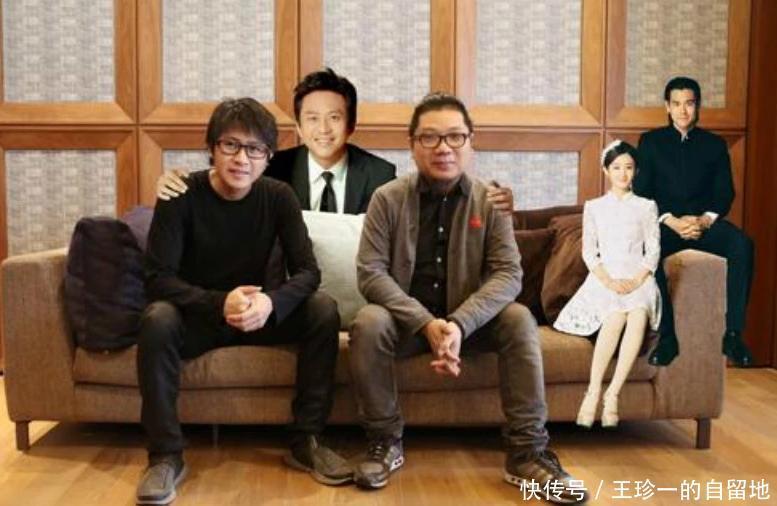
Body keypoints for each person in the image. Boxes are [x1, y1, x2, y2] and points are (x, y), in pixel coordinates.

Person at [348, 92, 587, 504]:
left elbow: (508, 273)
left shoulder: (489, 201)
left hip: (471, 327)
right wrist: (426, 324)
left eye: (455, 137)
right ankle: (384, 441)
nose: (444, 147)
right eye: (430, 137)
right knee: (369, 321)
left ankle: (527, 452)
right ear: (412, 145)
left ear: (470, 142)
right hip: (407, 325)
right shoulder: (387, 199)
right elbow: (371, 273)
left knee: (517, 318)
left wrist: (459, 324)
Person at [135, 98, 350, 505]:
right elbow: (157, 278)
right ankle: (164, 455)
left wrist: (271, 303)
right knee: (157, 319)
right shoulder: (180, 194)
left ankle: (306, 440)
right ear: (212, 148)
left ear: (268, 157)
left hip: (258, 316)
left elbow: (308, 272)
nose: (241, 158)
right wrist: (220, 303)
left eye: (255, 149)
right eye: (230, 145)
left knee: (322, 309)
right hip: (199, 316)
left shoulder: (278, 196)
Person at [156, 69, 515, 214]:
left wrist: (490, 200)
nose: (324, 129)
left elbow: (419, 210)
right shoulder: (272, 167)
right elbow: (227, 188)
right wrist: (179, 182)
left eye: (335, 117)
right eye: (312, 119)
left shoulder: (378, 173)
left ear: (352, 124)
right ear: (298, 127)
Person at [634, 76, 754, 367]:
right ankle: (667, 338)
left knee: (742, 245)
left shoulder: (714, 144)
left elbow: (725, 193)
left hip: (703, 226)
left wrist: (705, 220)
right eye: (676, 104)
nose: (683, 111)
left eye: (689, 104)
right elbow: (643, 192)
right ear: (667, 106)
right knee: (645, 252)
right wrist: (671, 221)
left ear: (697, 106)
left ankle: (733, 334)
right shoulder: (650, 142)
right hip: (667, 225)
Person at [554, 140, 660, 428]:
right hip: (606, 278)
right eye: (616, 168)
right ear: (606, 170)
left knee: (637, 315)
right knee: (614, 318)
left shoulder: (646, 207)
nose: (623, 174)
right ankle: (593, 392)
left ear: (635, 171)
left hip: (639, 278)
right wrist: (609, 281)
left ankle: (612, 395)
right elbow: (589, 252)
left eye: (628, 168)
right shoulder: (594, 207)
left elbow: (652, 251)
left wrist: (636, 280)